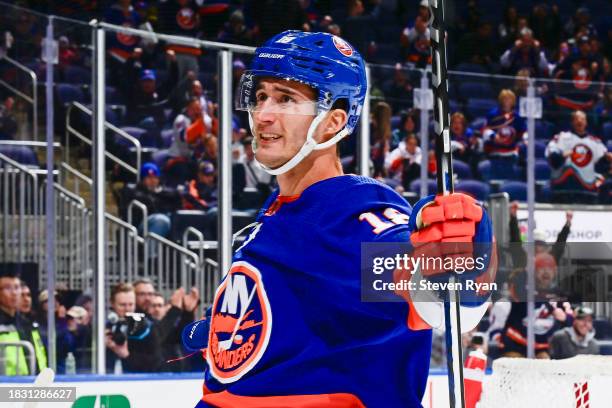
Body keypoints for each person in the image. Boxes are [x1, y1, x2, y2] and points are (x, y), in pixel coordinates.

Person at [182, 30, 494, 407]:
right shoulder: (282, 210)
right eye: (261, 96)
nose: (262, 115)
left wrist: (462, 256)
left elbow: (425, 288)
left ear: (332, 122)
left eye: (286, 99)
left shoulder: (354, 209)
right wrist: (223, 334)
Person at [500, 253, 573, 359]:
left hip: (541, 346)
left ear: (555, 272)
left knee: (545, 362)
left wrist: (565, 318)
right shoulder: (523, 291)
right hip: (515, 342)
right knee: (516, 365)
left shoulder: (559, 294)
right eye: (541, 268)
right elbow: (517, 288)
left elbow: (572, 320)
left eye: (550, 268)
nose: (546, 272)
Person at [545, 110, 611, 203]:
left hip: (587, 190)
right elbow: (552, 158)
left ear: (586, 122)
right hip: (563, 190)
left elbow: (602, 167)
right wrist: (561, 155)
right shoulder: (561, 138)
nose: (579, 121)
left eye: (582, 119)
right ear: (572, 122)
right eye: (576, 119)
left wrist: (607, 159)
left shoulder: (595, 142)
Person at [105, 283, 163, 373]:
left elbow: (156, 362)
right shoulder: (103, 328)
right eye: (122, 305)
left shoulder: (146, 328)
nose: (127, 309)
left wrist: (126, 355)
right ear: (112, 304)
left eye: (131, 304)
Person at [0, 270, 47, 376]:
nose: (14, 293)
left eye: (17, 288)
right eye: (7, 288)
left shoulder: (27, 323)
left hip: (31, 384)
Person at [483, 89, 526, 180]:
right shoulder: (492, 114)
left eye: (509, 99)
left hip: (511, 152)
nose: (507, 101)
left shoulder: (517, 116)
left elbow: (523, 131)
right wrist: (493, 136)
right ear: (501, 100)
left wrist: (525, 139)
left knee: (511, 178)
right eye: (505, 99)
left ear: (513, 101)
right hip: (495, 152)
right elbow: (485, 130)